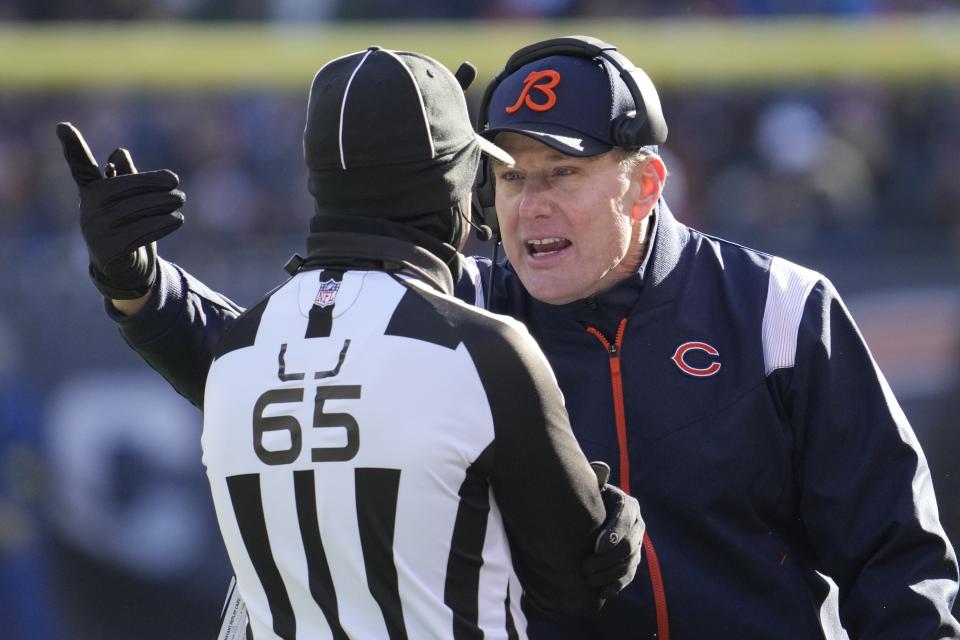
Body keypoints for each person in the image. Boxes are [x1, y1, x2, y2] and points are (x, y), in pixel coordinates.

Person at [58, 35, 960, 638]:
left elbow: (899, 565)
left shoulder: (779, 311)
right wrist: (138, 284)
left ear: (645, 184)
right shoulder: (464, 311)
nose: (529, 205)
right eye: (509, 175)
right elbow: (251, 359)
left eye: (562, 172)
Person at [57, 46, 645, 639]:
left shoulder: (239, 353)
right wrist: (609, 517)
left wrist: (139, 285)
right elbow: (571, 583)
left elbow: (221, 344)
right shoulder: (483, 351)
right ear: (456, 186)